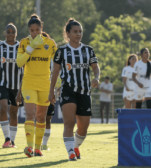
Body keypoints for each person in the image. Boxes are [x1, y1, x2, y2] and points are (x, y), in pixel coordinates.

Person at [49, 18, 100, 161]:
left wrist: (97, 77)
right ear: (68, 33)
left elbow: (95, 67)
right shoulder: (61, 51)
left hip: (85, 92)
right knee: (69, 123)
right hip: (68, 90)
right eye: (75, 32)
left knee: (83, 128)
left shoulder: (88, 50)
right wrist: (51, 91)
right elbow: (55, 73)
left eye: (80, 31)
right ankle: (71, 152)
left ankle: (76, 146)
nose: (78, 34)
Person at [17, 14, 57, 157]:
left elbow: (58, 63)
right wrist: (30, 48)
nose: (35, 33)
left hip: (45, 83)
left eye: (37, 30)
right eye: (32, 30)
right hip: (29, 82)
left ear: (41, 29)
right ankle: (29, 147)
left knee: (41, 117)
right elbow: (19, 63)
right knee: (30, 114)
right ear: (29, 30)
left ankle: (38, 148)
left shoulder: (50, 43)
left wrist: (57, 80)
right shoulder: (23, 42)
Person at [0, 23, 23, 148]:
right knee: (2, 108)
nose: (10, 34)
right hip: (1, 83)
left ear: (16, 34)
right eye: (8, 32)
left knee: (13, 113)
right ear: (4, 33)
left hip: (17, 85)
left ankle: (12, 141)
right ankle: (7, 138)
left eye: (13, 32)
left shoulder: (21, 47)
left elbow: (25, 68)